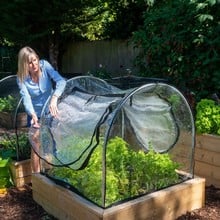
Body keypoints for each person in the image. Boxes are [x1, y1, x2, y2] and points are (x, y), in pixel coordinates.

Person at [17, 46, 66, 173]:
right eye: (29, 62)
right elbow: (26, 98)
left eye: (34, 60)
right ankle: (37, 178)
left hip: (51, 112)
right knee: (36, 144)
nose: (33, 64)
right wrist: (32, 115)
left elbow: (61, 81)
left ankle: (54, 174)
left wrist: (55, 97)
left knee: (53, 143)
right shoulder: (21, 78)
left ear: (38, 59)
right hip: (35, 115)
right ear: (24, 65)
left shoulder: (45, 66)